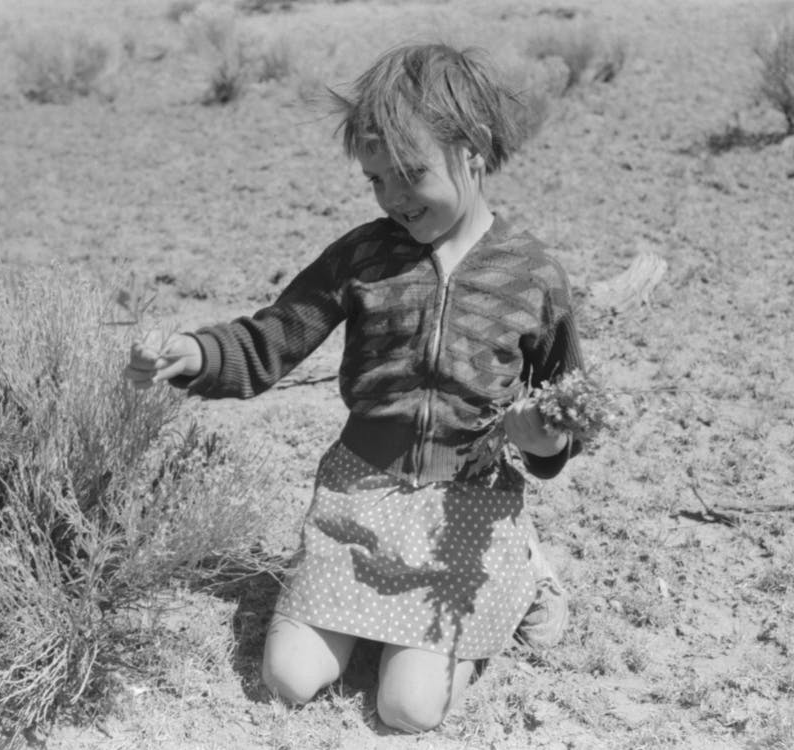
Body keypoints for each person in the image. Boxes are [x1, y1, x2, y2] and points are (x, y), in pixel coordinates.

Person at [126, 43, 583, 734]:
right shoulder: (363, 256)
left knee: (408, 709)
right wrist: (194, 353)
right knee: (289, 678)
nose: (393, 198)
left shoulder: (532, 276)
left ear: (474, 149)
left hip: (465, 508)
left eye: (411, 173)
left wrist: (544, 442)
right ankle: (377, 616)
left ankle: (522, 571)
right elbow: (271, 338)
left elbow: (565, 405)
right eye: (376, 179)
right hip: (358, 496)